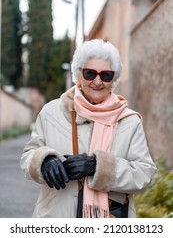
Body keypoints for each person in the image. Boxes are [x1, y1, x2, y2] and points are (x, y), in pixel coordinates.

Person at [20, 39, 157, 218]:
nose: (97, 81)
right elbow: (28, 157)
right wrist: (43, 161)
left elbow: (144, 173)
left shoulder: (129, 121)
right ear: (79, 75)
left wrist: (98, 166)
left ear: (113, 79)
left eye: (106, 75)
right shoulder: (51, 112)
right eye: (90, 73)